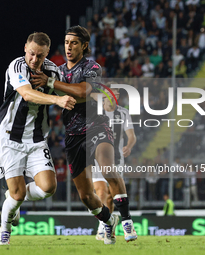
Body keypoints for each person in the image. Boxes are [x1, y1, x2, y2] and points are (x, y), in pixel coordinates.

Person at [31, 26, 137, 244]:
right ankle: (108, 221)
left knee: (108, 169)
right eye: (67, 42)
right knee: (86, 196)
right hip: (72, 136)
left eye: (74, 43)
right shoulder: (58, 70)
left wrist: (52, 84)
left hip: (97, 127)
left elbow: (82, 91)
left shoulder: (92, 67)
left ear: (84, 46)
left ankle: (126, 221)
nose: (69, 46)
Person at [0, 32, 76, 245]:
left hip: (37, 139)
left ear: (47, 53)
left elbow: (64, 95)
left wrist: (57, 89)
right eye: (31, 54)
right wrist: (55, 100)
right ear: (25, 49)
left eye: (39, 56)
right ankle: (5, 231)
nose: (34, 59)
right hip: (10, 138)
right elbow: (27, 94)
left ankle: (13, 198)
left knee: (48, 188)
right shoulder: (17, 67)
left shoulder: (52, 71)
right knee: (18, 195)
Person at [91, 85, 136, 241]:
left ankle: (106, 225)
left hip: (116, 158)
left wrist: (128, 146)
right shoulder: (95, 112)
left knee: (110, 195)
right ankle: (104, 224)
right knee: (101, 192)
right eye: (111, 92)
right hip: (97, 158)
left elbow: (131, 135)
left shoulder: (123, 113)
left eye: (116, 93)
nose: (114, 95)